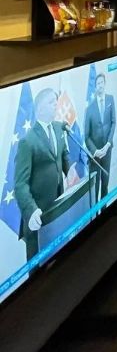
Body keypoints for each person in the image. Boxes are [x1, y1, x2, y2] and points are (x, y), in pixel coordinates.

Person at [14, 88, 70, 261]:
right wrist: (31, 211)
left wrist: (70, 171)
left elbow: (62, 155)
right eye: (51, 102)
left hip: (58, 209)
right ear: (40, 108)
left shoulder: (59, 128)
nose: (56, 105)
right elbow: (20, 185)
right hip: (38, 218)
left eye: (56, 101)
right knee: (39, 269)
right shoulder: (27, 141)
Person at [84, 72, 115, 201]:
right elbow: (86, 136)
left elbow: (113, 122)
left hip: (107, 150)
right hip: (95, 155)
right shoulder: (89, 108)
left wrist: (108, 144)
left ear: (105, 84)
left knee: (105, 184)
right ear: (95, 87)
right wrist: (95, 151)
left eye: (102, 82)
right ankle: (96, 212)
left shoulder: (110, 99)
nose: (100, 85)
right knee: (95, 188)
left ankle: (105, 210)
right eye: (98, 84)